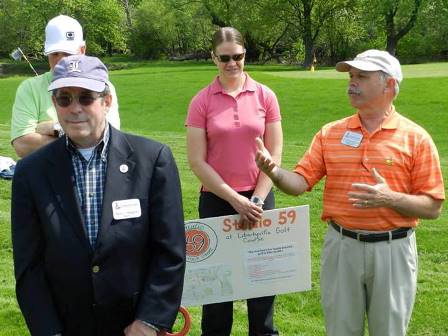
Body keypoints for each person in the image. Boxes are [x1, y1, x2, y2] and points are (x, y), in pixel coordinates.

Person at [255, 49, 445, 336]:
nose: (352, 83)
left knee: (389, 331)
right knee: (340, 330)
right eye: (351, 76)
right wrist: (274, 171)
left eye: (362, 77)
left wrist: (389, 198)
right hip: (342, 247)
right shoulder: (330, 133)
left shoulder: (415, 138)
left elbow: (432, 207)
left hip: (392, 251)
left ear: (389, 85)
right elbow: (299, 183)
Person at [11, 55, 185, 336]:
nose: (74, 108)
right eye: (64, 99)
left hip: (133, 325)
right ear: (55, 105)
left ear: (107, 101)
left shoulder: (152, 160)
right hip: (66, 325)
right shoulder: (31, 172)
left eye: (86, 97)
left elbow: (170, 252)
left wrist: (150, 320)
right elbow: (29, 268)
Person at [186, 27, 283, 336]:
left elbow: (275, 152)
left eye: (237, 57)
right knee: (217, 288)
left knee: (262, 283)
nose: (232, 63)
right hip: (217, 198)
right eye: (224, 58)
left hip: (259, 198)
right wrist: (234, 199)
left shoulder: (265, 95)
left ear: (245, 55)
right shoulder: (201, 101)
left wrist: (255, 199)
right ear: (213, 57)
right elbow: (197, 161)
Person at [11, 14, 120, 158]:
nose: (60, 60)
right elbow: (22, 145)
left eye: (67, 53)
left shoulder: (101, 86)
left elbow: (106, 139)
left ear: (82, 50)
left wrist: (54, 128)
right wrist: (80, 136)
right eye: (54, 54)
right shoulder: (29, 88)